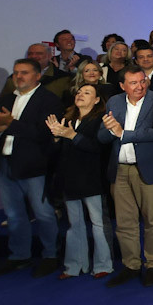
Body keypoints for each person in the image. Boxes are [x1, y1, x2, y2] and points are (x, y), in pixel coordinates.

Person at [0, 58, 65, 278]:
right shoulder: (6, 99)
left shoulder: (49, 100)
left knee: (43, 213)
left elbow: (43, 133)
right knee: (14, 214)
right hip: (6, 163)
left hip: (35, 165)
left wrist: (10, 123)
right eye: (16, 72)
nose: (19, 77)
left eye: (24, 72)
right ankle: (19, 256)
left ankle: (50, 256)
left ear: (37, 76)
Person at [99, 67, 153, 287]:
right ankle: (131, 265)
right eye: (133, 83)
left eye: (142, 81)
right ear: (122, 86)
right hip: (119, 169)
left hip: (146, 167)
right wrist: (110, 130)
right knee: (125, 222)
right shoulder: (114, 102)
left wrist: (123, 134)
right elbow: (102, 136)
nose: (140, 86)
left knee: (152, 220)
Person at [46, 83, 113, 279]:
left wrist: (72, 135)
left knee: (98, 224)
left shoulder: (101, 119)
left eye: (87, 92)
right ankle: (74, 265)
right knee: (74, 224)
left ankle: (103, 265)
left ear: (97, 99)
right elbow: (56, 154)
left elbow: (98, 147)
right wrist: (56, 138)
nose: (80, 95)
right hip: (69, 178)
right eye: (79, 92)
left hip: (92, 178)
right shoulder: (67, 119)